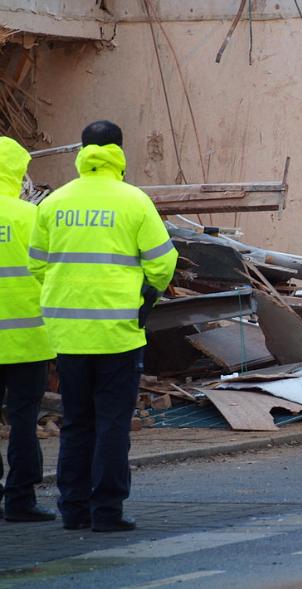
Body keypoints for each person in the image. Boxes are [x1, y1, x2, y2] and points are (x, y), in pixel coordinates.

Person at [28, 121, 177, 531]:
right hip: (118, 333)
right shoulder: (134, 201)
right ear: (120, 151)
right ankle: (107, 513)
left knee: (77, 422)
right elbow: (163, 262)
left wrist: (64, 299)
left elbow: (36, 263)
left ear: (82, 151)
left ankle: (72, 511)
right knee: (112, 423)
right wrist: (148, 297)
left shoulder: (54, 202)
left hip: (68, 334)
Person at [0, 137, 56, 523]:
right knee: (23, 419)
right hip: (29, 340)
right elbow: (52, 271)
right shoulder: (30, 216)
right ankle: (20, 501)